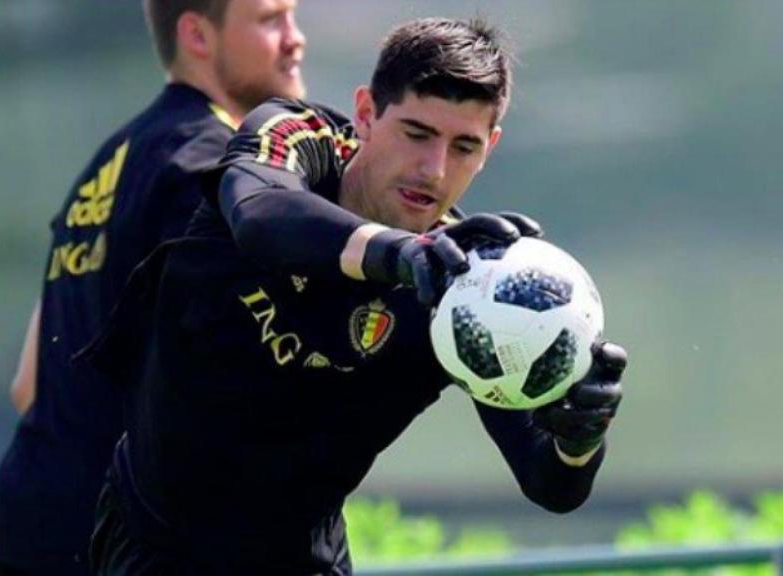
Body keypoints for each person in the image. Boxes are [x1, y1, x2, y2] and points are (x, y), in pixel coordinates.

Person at [86, 16, 627, 575]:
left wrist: (578, 436)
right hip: (159, 547)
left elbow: (551, 484)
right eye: (417, 134)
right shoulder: (299, 141)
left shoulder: (464, 288)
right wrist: (395, 253)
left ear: (489, 148)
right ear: (367, 113)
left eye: (464, 146)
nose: (434, 169)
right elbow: (258, 215)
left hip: (305, 562)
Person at [0, 1, 307, 574]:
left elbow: (27, 385)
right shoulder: (210, 170)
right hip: (119, 545)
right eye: (269, 19)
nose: (294, 39)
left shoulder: (107, 164)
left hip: (30, 525)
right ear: (197, 35)